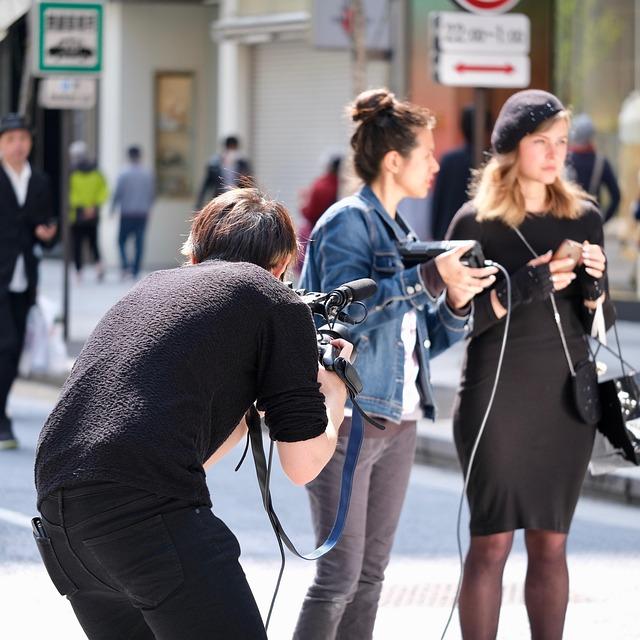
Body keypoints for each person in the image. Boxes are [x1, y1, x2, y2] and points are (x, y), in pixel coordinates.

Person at [33, 187, 352, 639]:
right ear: (281, 267)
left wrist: (251, 410)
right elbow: (302, 466)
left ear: (195, 254)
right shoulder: (274, 300)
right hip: (144, 522)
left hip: (63, 524)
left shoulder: (151, 288)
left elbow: (164, 442)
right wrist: (333, 394)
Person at [293, 88, 498, 640]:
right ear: (393, 160)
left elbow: (419, 338)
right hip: (352, 415)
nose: (436, 164)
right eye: (427, 154)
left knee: (370, 577)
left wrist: (458, 300)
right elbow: (346, 316)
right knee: (338, 575)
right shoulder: (347, 223)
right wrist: (430, 278)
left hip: (400, 418)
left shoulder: (402, 231)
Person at [446, 90, 614, 639]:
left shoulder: (584, 215)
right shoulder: (476, 221)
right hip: (496, 399)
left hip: (566, 399)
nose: (554, 153)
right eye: (541, 142)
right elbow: (457, 319)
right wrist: (521, 288)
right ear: (511, 148)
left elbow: (600, 322)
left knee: (551, 542)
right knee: (491, 541)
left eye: (561, 142)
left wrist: (594, 285)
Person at [0, 113, 57, 450]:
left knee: (15, 346)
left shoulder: (40, 180)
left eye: (23, 139)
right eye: (10, 140)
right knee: (5, 344)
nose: (18, 145)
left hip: (25, 277)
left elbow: (46, 226)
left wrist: (47, 234)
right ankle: (2, 417)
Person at [431, 105, 490, 240]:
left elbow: (438, 201)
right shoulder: (492, 162)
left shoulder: (449, 159)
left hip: (446, 232)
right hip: (483, 236)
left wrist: (436, 232)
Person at [111, 145, 155, 279]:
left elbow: (117, 193)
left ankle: (125, 265)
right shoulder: (147, 174)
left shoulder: (124, 173)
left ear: (129, 156)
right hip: (142, 213)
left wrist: (112, 208)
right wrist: (148, 207)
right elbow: (152, 194)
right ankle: (135, 269)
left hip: (127, 213)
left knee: (121, 241)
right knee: (139, 242)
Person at [567, 113, 620, 222]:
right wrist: (604, 219)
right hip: (592, 222)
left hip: (566, 219)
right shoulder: (601, 162)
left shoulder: (564, 160)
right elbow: (616, 196)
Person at [68, 140, 109, 281]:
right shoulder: (96, 172)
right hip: (92, 213)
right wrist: (93, 205)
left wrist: (81, 206)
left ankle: (79, 273)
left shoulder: (72, 173)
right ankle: (98, 266)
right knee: (93, 243)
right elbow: (104, 190)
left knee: (78, 245)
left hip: (77, 214)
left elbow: (70, 193)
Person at [297, 154, 342, 270]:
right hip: (337, 236)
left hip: (317, 234)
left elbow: (310, 212)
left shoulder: (322, 185)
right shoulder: (344, 186)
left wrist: (302, 205)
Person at [195, 135, 252, 208]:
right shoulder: (215, 164)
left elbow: (249, 183)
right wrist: (199, 204)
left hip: (238, 200)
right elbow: (206, 185)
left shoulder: (242, 163)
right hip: (220, 199)